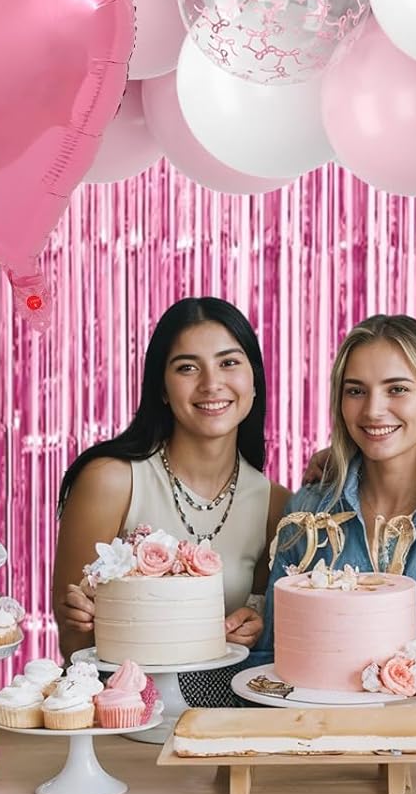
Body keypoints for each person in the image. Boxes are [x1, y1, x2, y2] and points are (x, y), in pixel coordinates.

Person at [251, 314, 416, 707]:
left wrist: (377, 734)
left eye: (397, 389)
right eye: (356, 391)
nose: (373, 410)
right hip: (310, 740)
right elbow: (273, 663)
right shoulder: (308, 513)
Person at [53, 298, 288, 703]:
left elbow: (263, 647)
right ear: (161, 387)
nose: (211, 384)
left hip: (223, 716)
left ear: (254, 380)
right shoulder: (110, 480)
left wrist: (255, 626)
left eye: (229, 363)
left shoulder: (275, 505)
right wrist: (81, 616)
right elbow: (74, 643)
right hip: (118, 713)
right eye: (187, 367)